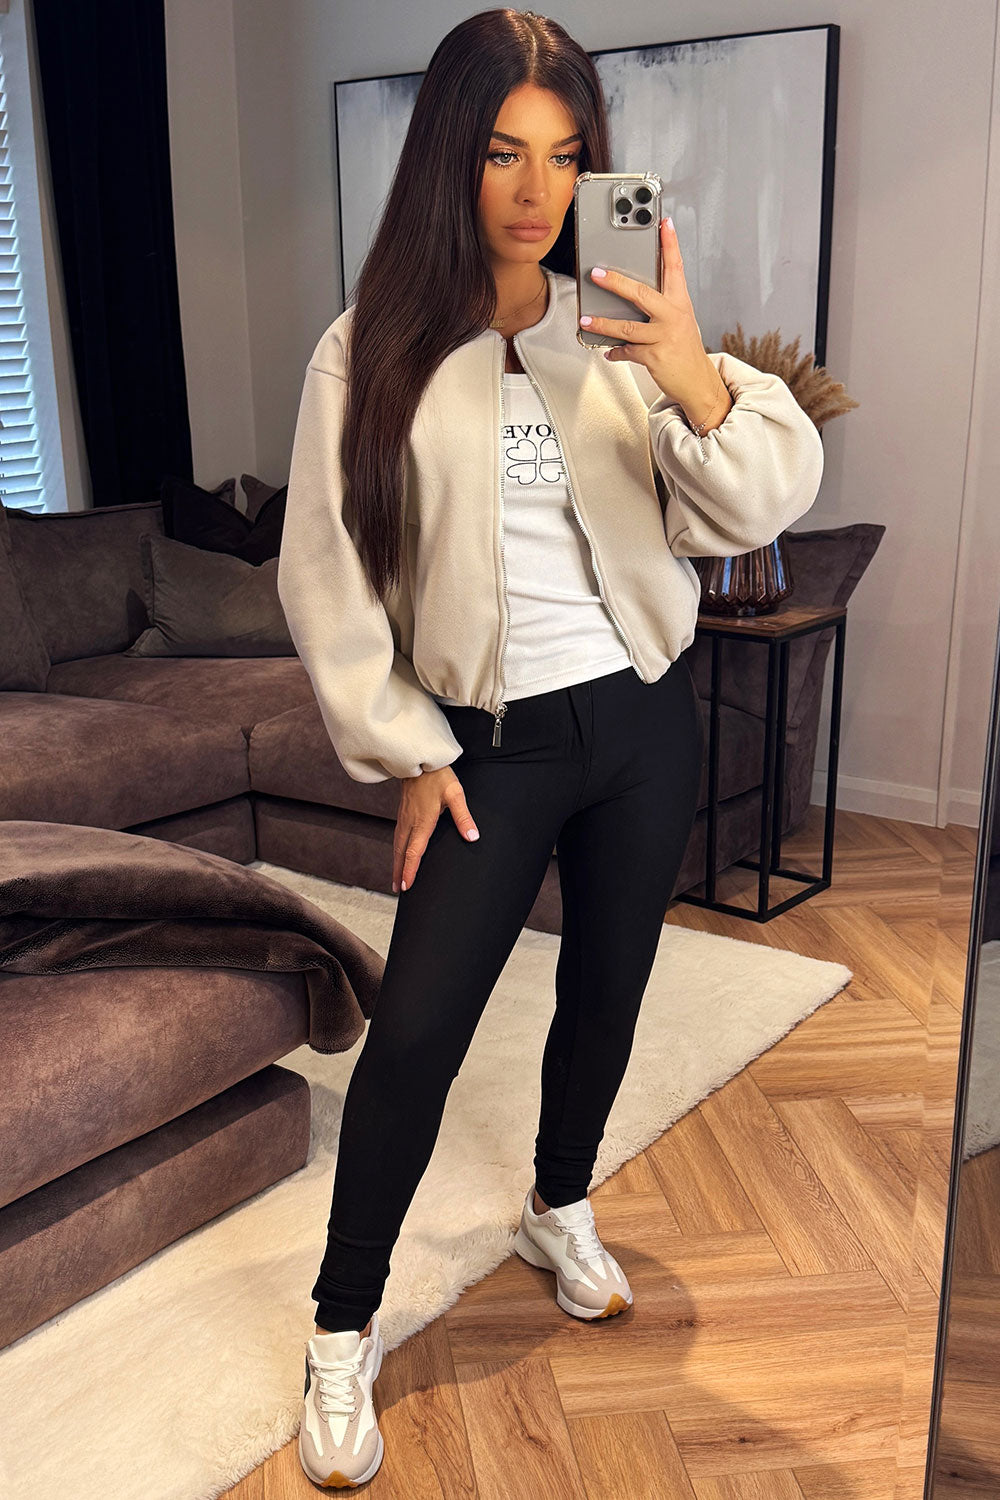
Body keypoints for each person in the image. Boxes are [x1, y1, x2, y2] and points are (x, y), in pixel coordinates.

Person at [277, 8, 824, 1488]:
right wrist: (410, 748)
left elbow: (757, 500)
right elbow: (327, 575)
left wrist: (693, 370)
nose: (537, 189)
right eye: (505, 153)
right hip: (491, 749)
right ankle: (341, 1328)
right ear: (450, 157)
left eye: (568, 156)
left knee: (609, 987)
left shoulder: (621, 329)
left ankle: (557, 1204)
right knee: (418, 1033)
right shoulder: (368, 353)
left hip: (641, 717)